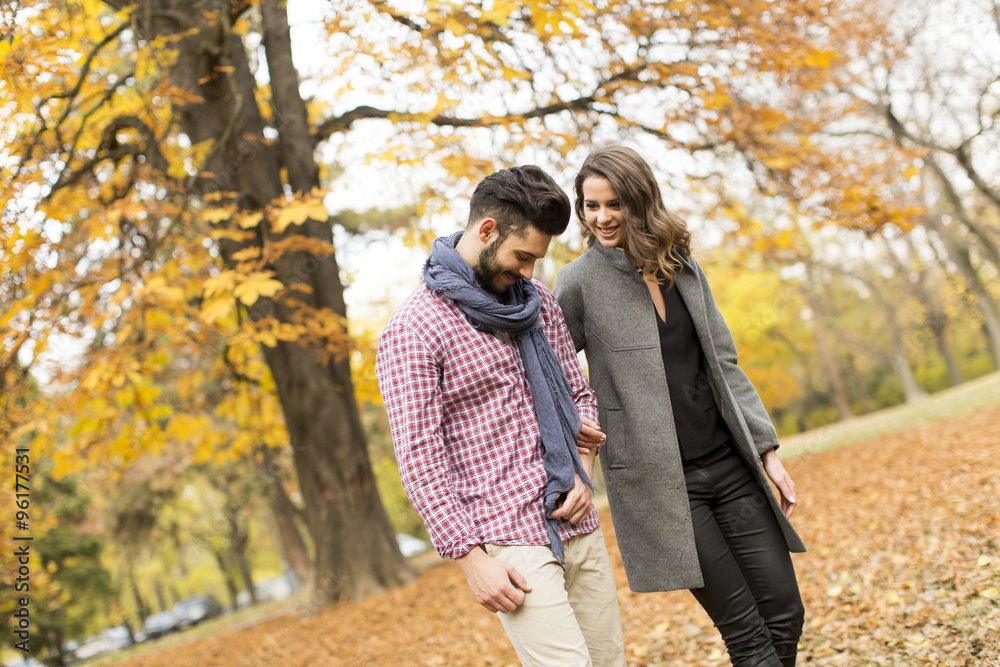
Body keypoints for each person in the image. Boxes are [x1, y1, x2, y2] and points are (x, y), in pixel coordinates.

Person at [554, 145, 806, 667]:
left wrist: (767, 450)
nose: (600, 217)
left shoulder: (681, 266)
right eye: (590, 206)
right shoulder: (578, 282)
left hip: (731, 467)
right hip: (664, 488)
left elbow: (725, 363)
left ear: (641, 201)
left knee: (784, 614)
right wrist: (577, 445)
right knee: (748, 636)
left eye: (613, 204)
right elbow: (552, 373)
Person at [375, 165, 626, 666]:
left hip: (575, 519)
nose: (530, 273)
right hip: (508, 536)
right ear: (487, 230)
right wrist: (471, 561)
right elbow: (420, 458)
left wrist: (584, 472)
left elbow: (580, 394)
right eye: (523, 257)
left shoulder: (538, 305)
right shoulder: (414, 330)